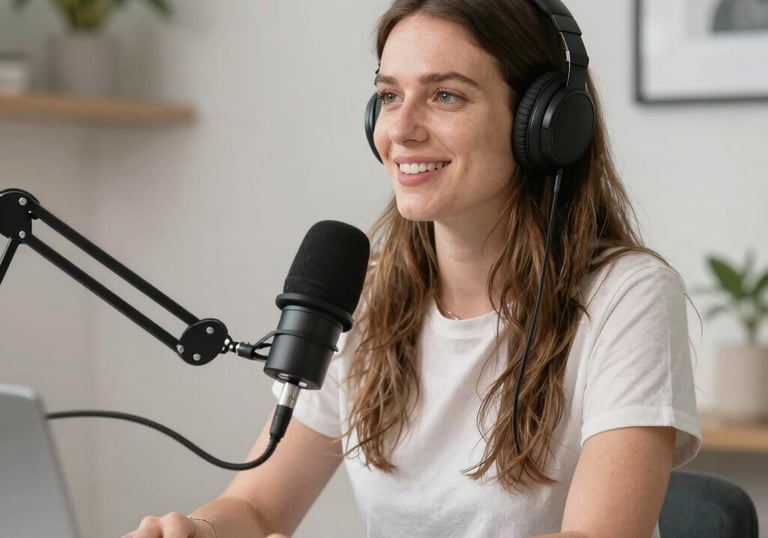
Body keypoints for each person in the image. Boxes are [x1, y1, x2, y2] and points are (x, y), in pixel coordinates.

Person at [125, 0, 701, 536]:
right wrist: (201, 529)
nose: (400, 131)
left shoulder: (626, 296)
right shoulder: (365, 293)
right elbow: (255, 505)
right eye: (390, 95)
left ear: (544, 125)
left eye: (446, 96)